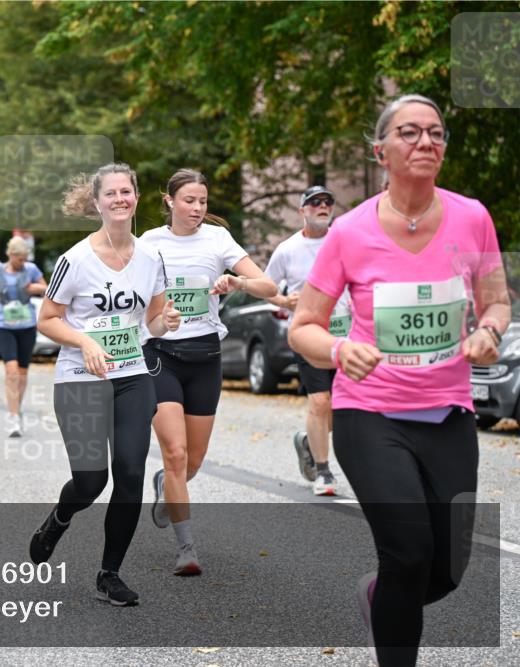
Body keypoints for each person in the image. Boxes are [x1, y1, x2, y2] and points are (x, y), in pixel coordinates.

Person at [289, 94, 509, 666]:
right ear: (380, 150)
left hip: (450, 413)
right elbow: (302, 327)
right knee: (408, 552)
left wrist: (488, 329)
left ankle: (379, 595)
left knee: (449, 568)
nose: (426, 142)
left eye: (435, 133)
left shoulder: (471, 217)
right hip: (370, 416)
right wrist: (340, 349)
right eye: (409, 133)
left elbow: (496, 302)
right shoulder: (350, 232)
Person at [28, 163, 181, 607]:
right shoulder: (75, 260)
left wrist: (165, 322)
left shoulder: (152, 258)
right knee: (91, 481)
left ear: (135, 198)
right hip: (80, 377)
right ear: (96, 203)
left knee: (131, 474)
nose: (119, 199)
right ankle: (59, 518)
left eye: (126, 192)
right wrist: (84, 341)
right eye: (110, 193)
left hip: (132, 374)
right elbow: (48, 320)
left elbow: (153, 318)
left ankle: (109, 573)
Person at [140, 169, 277, 575]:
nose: (197, 208)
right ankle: (186, 548)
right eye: (189, 201)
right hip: (161, 355)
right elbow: (140, 309)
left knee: (193, 462)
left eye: (202, 201)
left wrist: (237, 281)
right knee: (177, 452)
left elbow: (267, 285)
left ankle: (167, 483)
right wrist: (161, 318)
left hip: (205, 358)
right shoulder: (149, 243)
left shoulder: (218, 241)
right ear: (169, 201)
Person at [264, 185, 351, 495]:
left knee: (343, 409)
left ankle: (308, 440)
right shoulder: (288, 249)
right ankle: (324, 473)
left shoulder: (345, 242)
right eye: (315, 203)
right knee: (320, 400)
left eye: (328, 202)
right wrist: (284, 301)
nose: (323, 206)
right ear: (302, 211)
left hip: (346, 334)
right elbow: (266, 287)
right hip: (307, 334)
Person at [0, 236, 47, 437]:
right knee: (11, 370)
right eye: (19, 259)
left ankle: (16, 407)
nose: (22, 262)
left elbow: (47, 288)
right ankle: (13, 417)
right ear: (10, 255)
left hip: (27, 325)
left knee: (22, 372)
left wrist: (34, 288)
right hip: (5, 325)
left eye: (24, 259)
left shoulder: (31, 270)